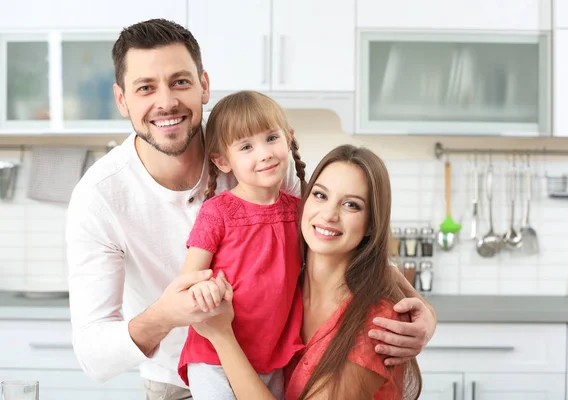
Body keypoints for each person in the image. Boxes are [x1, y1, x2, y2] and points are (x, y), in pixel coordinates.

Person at [65, 18, 436, 400]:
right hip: (181, 380)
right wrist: (171, 314)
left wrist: (423, 309)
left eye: (180, 81)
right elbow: (95, 356)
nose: (166, 102)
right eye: (146, 88)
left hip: (275, 364)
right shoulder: (99, 198)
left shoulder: (258, 155)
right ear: (122, 99)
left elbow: (325, 236)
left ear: (203, 85)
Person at [195, 144, 424, 399]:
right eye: (320, 195)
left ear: (371, 224)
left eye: (351, 205)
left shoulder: (377, 322)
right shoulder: (284, 288)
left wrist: (221, 337)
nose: (328, 215)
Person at [176, 90, 306, 399]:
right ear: (222, 161)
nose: (264, 153)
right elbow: (186, 282)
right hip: (213, 356)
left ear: (288, 139)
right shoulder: (217, 212)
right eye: (246, 146)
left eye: (271, 138)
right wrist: (202, 289)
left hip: (274, 355)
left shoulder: (300, 211)